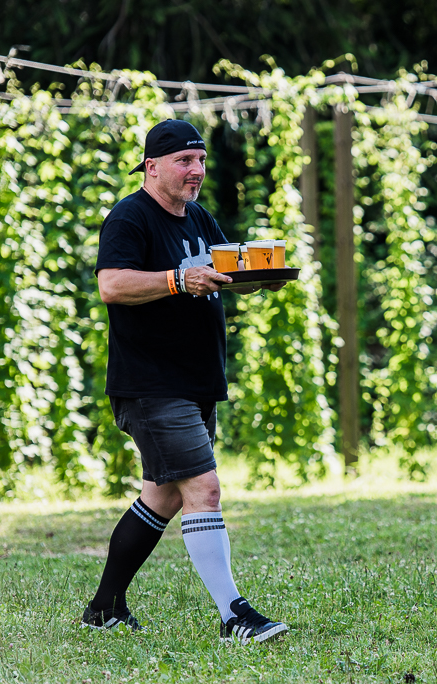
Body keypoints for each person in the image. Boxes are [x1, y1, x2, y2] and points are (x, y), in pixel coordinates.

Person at [82, 119, 288, 645]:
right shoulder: (130, 216)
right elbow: (112, 285)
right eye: (184, 161)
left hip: (196, 382)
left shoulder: (199, 217)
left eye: (201, 161)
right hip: (151, 383)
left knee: (165, 497)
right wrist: (178, 279)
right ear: (152, 167)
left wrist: (259, 278)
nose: (196, 171)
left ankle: (104, 607)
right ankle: (234, 616)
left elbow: (221, 273)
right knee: (204, 489)